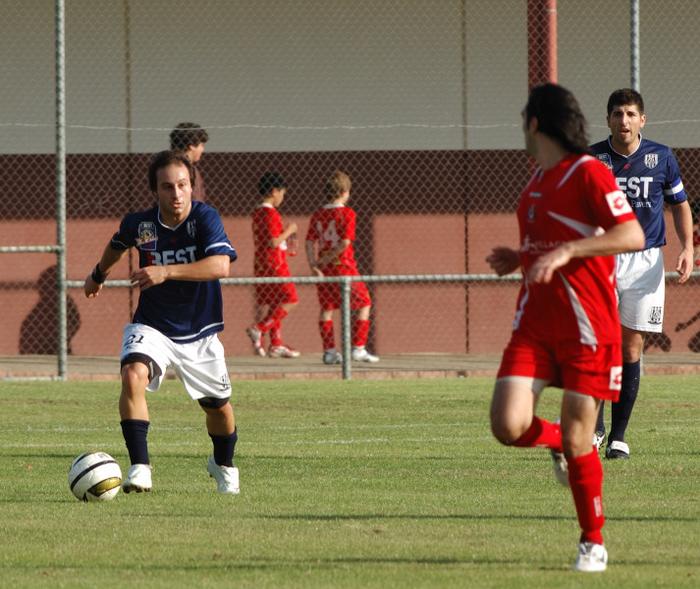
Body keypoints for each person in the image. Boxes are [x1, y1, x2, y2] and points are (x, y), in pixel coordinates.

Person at [487, 83, 644, 572]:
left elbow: (632, 233)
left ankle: (591, 540)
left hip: (589, 329)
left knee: (583, 439)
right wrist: (520, 257)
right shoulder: (534, 182)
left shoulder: (588, 172)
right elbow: (547, 245)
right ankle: (551, 440)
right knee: (507, 425)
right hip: (533, 325)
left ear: (536, 123)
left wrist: (569, 251)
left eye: (523, 120)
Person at [83, 150, 240, 495]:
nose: (177, 193)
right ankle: (140, 467)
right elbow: (117, 244)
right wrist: (98, 274)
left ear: (191, 186)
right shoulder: (141, 224)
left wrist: (166, 270)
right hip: (152, 325)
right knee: (132, 373)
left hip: (199, 332)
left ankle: (223, 465)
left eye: (183, 185)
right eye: (167, 187)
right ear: (155, 191)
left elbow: (220, 266)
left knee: (218, 408)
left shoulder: (204, 218)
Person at [590, 89, 693, 459]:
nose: (624, 120)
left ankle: (618, 436)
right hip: (602, 260)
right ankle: (595, 427)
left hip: (645, 261)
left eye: (631, 114)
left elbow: (679, 205)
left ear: (642, 120)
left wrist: (687, 248)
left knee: (631, 348)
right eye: (617, 114)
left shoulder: (661, 157)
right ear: (608, 120)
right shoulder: (592, 158)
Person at [305, 170, 379, 364]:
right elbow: (345, 242)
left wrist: (314, 263)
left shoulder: (318, 214)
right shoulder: (347, 213)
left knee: (326, 308)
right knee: (365, 303)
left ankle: (329, 351)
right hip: (344, 266)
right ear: (345, 191)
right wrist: (327, 258)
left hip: (325, 270)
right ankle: (358, 348)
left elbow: (309, 241)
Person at [246, 172, 300, 358]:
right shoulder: (269, 213)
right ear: (274, 191)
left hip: (262, 264)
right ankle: (259, 328)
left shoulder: (257, 213)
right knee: (291, 299)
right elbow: (273, 241)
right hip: (275, 265)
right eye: (282, 193)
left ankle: (276, 344)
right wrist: (290, 230)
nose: (282, 197)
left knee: (275, 303)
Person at [169, 122, 209, 200]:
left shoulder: (165, 166)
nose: (203, 149)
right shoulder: (190, 170)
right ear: (192, 146)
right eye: (202, 145)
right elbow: (196, 198)